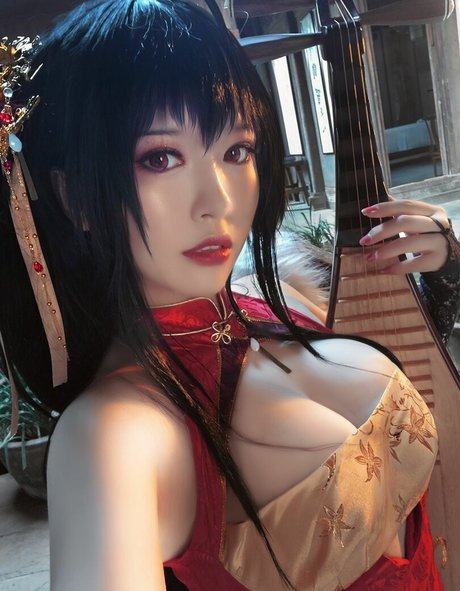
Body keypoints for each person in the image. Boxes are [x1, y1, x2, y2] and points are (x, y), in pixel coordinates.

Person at [0, 1, 458, 589]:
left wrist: (445, 270)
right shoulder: (113, 436)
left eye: (236, 151)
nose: (217, 199)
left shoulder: (279, 303)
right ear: (76, 198)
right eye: (160, 158)